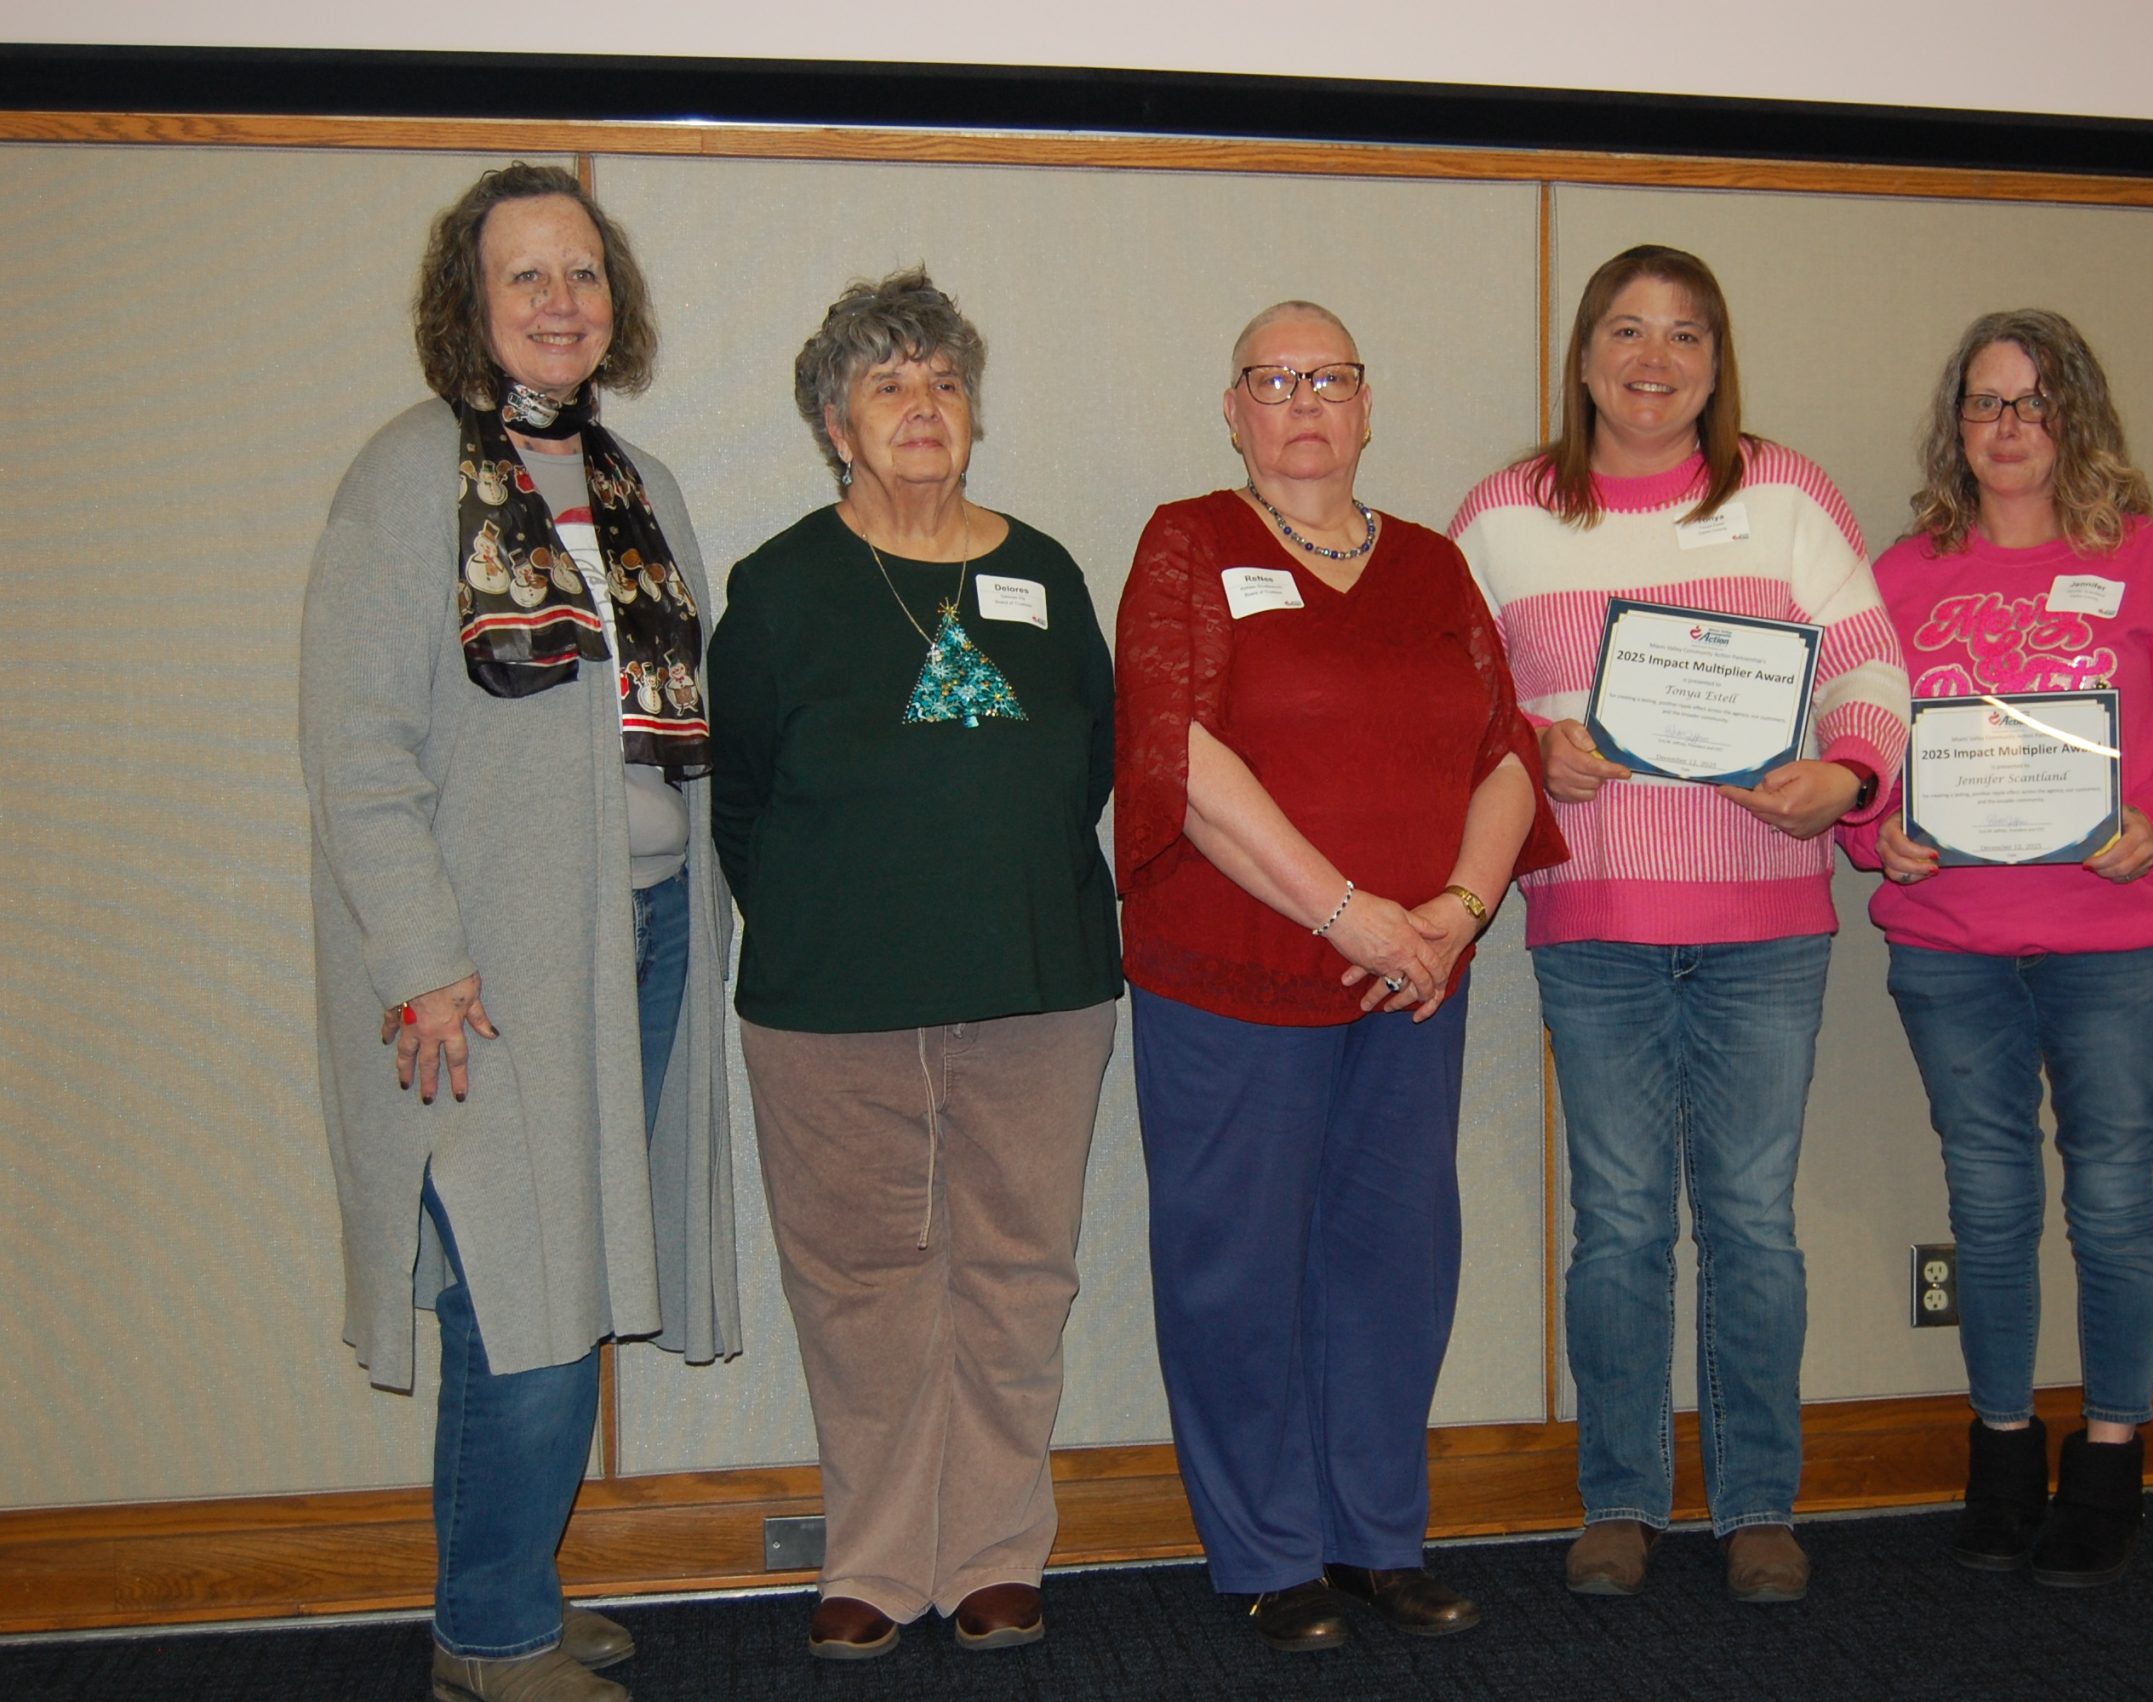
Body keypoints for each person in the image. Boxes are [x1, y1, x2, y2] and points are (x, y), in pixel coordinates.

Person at [299, 162, 738, 1702]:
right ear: (469, 304)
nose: (561, 301)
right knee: (519, 1293)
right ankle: (488, 1639)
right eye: (526, 275)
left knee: (563, 1285)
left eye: (583, 273)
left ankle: (507, 1594)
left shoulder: (639, 487)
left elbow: (674, 730)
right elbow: (358, 747)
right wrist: (421, 959)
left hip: (652, 933)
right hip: (489, 976)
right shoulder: (410, 474)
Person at [1451, 244, 1908, 1604]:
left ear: (1718, 362)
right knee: (1621, 1222)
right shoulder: (1505, 512)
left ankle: (1758, 1498)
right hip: (1594, 921)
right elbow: (1445, 708)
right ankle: (1621, 1498)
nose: (1657, 359)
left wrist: (1845, 778)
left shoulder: (1784, 492)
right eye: (1630, 331)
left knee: (1753, 1220)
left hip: (1767, 921)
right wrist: (1536, 744)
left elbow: (1869, 666)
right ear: (1585, 355)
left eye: (1688, 335)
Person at [1116, 301, 1566, 1652]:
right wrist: (1352, 909)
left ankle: (1374, 1538)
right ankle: (1265, 1550)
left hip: (1411, 984)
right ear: (1234, 408)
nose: (1305, 399)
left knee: (1394, 1261)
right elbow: (1177, 753)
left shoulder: (1432, 565)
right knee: (1235, 1269)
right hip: (1234, 973)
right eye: (1275, 378)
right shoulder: (1188, 542)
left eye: (1332, 377)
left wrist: (1454, 911)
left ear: (1369, 407)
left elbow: (1507, 752)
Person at [708, 268, 1121, 1660]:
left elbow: (1088, 768)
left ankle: (998, 1552)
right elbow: (742, 797)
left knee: (1018, 1274)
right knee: (861, 1286)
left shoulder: (1044, 573)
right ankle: (878, 1561)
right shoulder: (778, 589)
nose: (922, 405)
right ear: (835, 422)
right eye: (888, 383)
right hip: (833, 1006)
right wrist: (851, 915)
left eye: (943, 379)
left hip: (1038, 986)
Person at [1838, 308, 2153, 1586]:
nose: (2008, 427)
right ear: (1954, 427)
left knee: (2113, 1202)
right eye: (1985, 403)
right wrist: (1880, 829)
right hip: (1951, 942)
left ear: (2073, 418)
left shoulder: (2149, 562)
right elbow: (1849, 737)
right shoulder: (1902, 576)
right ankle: (2001, 1450)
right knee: (1985, 1207)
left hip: (2113, 944)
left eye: (2033, 403)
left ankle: (2112, 1458)